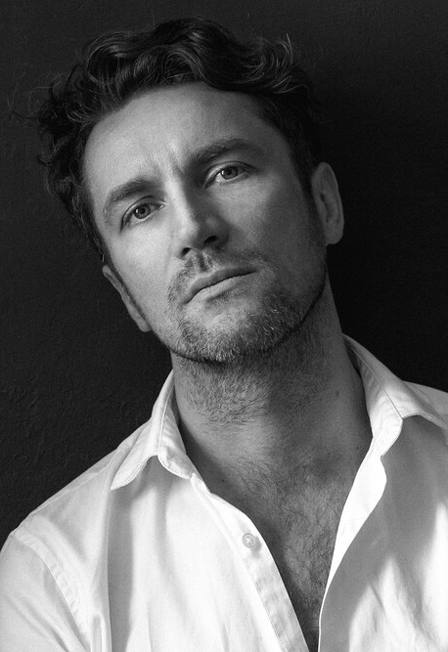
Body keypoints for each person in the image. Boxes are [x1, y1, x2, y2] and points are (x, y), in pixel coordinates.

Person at [0, 16, 447, 652]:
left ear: (324, 205)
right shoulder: (51, 580)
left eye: (226, 171)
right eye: (141, 210)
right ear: (124, 292)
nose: (193, 229)